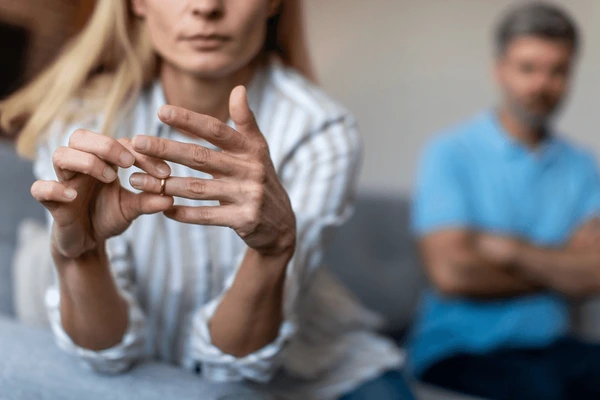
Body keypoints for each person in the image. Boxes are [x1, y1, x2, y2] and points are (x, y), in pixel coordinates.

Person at [0, 1, 412, 399]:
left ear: (273, 4)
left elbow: (234, 367)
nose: (206, 7)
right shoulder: (81, 124)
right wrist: (82, 257)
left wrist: (272, 252)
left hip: (310, 371)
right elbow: (105, 355)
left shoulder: (321, 131)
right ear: (137, 3)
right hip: (150, 364)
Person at [409, 3, 600, 400]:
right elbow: (452, 274)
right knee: (541, 390)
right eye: (528, 68)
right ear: (500, 70)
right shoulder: (450, 152)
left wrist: (510, 250)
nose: (541, 85)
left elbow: (593, 276)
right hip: (457, 351)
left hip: (552, 346)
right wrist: (560, 265)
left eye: (557, 71)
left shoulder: (582, 166)